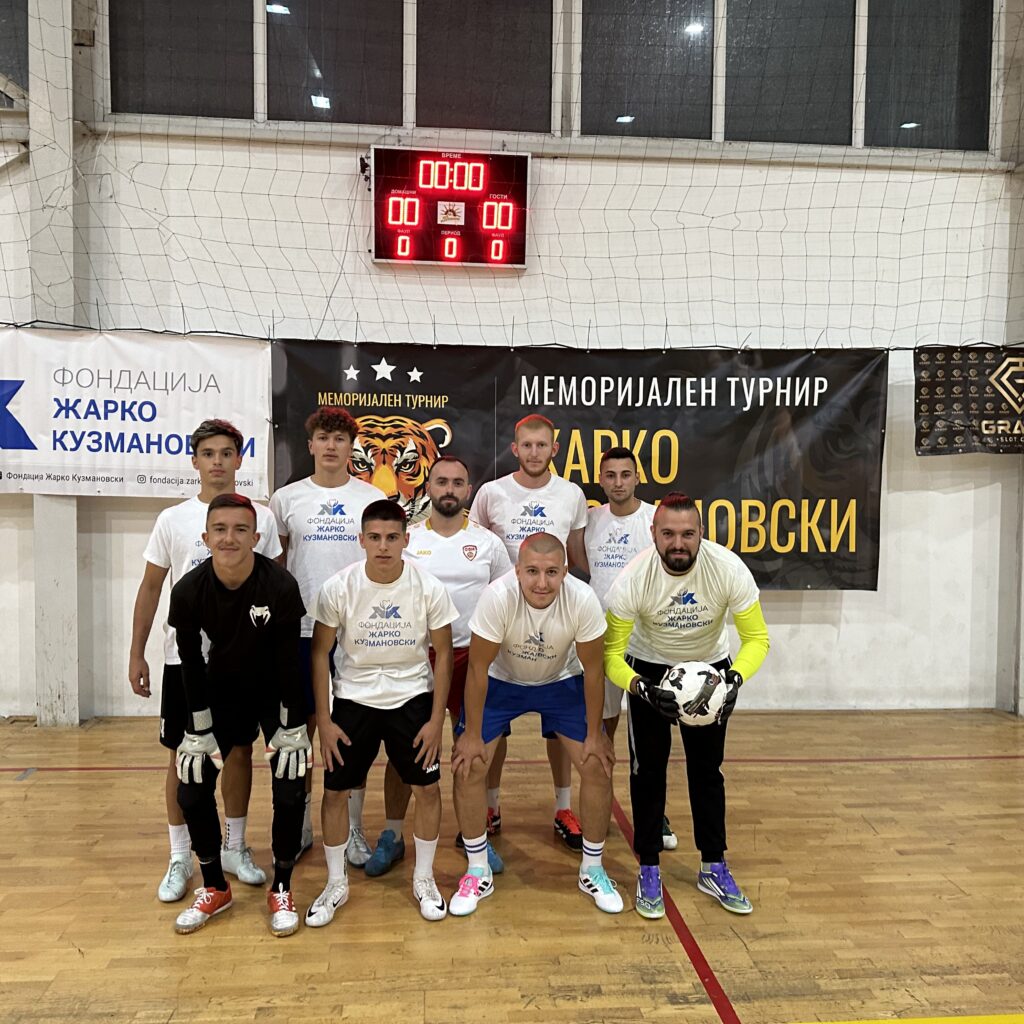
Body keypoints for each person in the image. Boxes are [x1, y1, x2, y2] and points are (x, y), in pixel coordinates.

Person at [128, 418, 282, 903]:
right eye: (209, 453)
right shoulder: (172, 519)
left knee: (239, 752)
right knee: (182, 755)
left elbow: (275, 590)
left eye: (226, 453)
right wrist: (137, 652)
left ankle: (234, 847)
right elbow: (151, 587)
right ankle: (180, 855)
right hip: (184, 662)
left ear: (240, 460)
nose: (218, 462)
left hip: (244, 664)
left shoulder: (262, 518)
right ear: (195, 461)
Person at [604, 492, 770, 919]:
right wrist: (640, 688)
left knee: (707, 771)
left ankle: (713, 865)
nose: (678, 543)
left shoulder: (727, 568)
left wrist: (733, 681)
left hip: (711, 674)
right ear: (653, 533)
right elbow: (611, 655)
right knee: (647, 771)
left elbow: (757, 640)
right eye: (668, 534)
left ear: (701, 533)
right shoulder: (632, 579)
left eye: (687, 534)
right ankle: (649, 867)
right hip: (649, 671)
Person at [449, 532, 622, 917]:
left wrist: (595, 735)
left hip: (560, 681)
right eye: (532, 572)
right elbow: (476, 668)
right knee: (468, 764)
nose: (541, 582)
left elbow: (594, 672)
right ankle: (477, 869)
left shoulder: (583, 599)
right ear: (517, 570)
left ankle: (592, 868)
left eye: (551, 572)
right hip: (501, 682)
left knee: (597, 764)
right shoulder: (497, 597)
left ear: (565, 571)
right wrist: (472, 735)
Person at [305, 500, 458, 925]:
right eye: (374, 537)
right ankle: (335, 883)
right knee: (335, 792)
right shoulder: (338, 587)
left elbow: (444, 654)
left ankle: (424, 878)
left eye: (392, 538)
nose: (384, 546)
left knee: (427, 790)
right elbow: (319, 654)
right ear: (361, 540)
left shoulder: (428, 586)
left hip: (412, 697)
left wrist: (436, 721)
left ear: (406, 540)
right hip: (353, 698)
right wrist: (324, 720)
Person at [168, 493, 312, 937]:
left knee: (291, 786)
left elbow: (290, 662)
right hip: (220, 691)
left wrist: (292, 723)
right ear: (206, 536)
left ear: (257, 536)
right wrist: (198, 727)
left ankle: (282, 887)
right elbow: (190, 661)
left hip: (273, 692)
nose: (229, 538)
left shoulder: (280, 586)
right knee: (191, 789)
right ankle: (214, 886)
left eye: (240, 530)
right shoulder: (188, 590)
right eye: (220, 529)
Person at [367, 456, 511, 877]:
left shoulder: (488, 544)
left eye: (458, 483)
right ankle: (393, 834)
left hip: (472, 658)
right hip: (417, 657)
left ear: (468, 490)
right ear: (428, 487)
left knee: (473, 751)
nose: (449, 489)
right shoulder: (407, 540)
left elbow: (505, 599)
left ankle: (474, 835)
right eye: (442, 481)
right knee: (404, 750)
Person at [269, 406, 387, 864]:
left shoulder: (370, 498)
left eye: (340, 439)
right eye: (324, 437)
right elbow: (277, 567)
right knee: (300, 732)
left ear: (351, 447)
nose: (331, 446)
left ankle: (353, 828)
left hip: (358, 631)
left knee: (351, 733)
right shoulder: (286, 499)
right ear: (311, 445)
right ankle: (300, 825)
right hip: (301, 630)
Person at [469, 414, 590, 850]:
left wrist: (584, 606)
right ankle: (491, 805)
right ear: (514, 448)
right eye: (527, 445)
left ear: (554, 449)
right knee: (494, 731)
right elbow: (477, 551)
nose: (534, 452)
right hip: (502, 623)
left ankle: (563, 807)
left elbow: (575, 555)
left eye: (543, 445)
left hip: (554, 623)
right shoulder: (491, 493)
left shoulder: (572, 494)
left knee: (560, 731)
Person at [584, 446, 677, 850]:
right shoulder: (590, 521)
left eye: (625, 474)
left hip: (647, 644)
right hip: (602, 642)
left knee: (650, 741)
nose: (618, 482)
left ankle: (655, 815)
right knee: (602, 731)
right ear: (601, 480)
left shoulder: (656, 520)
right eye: (610, 475)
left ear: (637, 477)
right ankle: (598, 806)